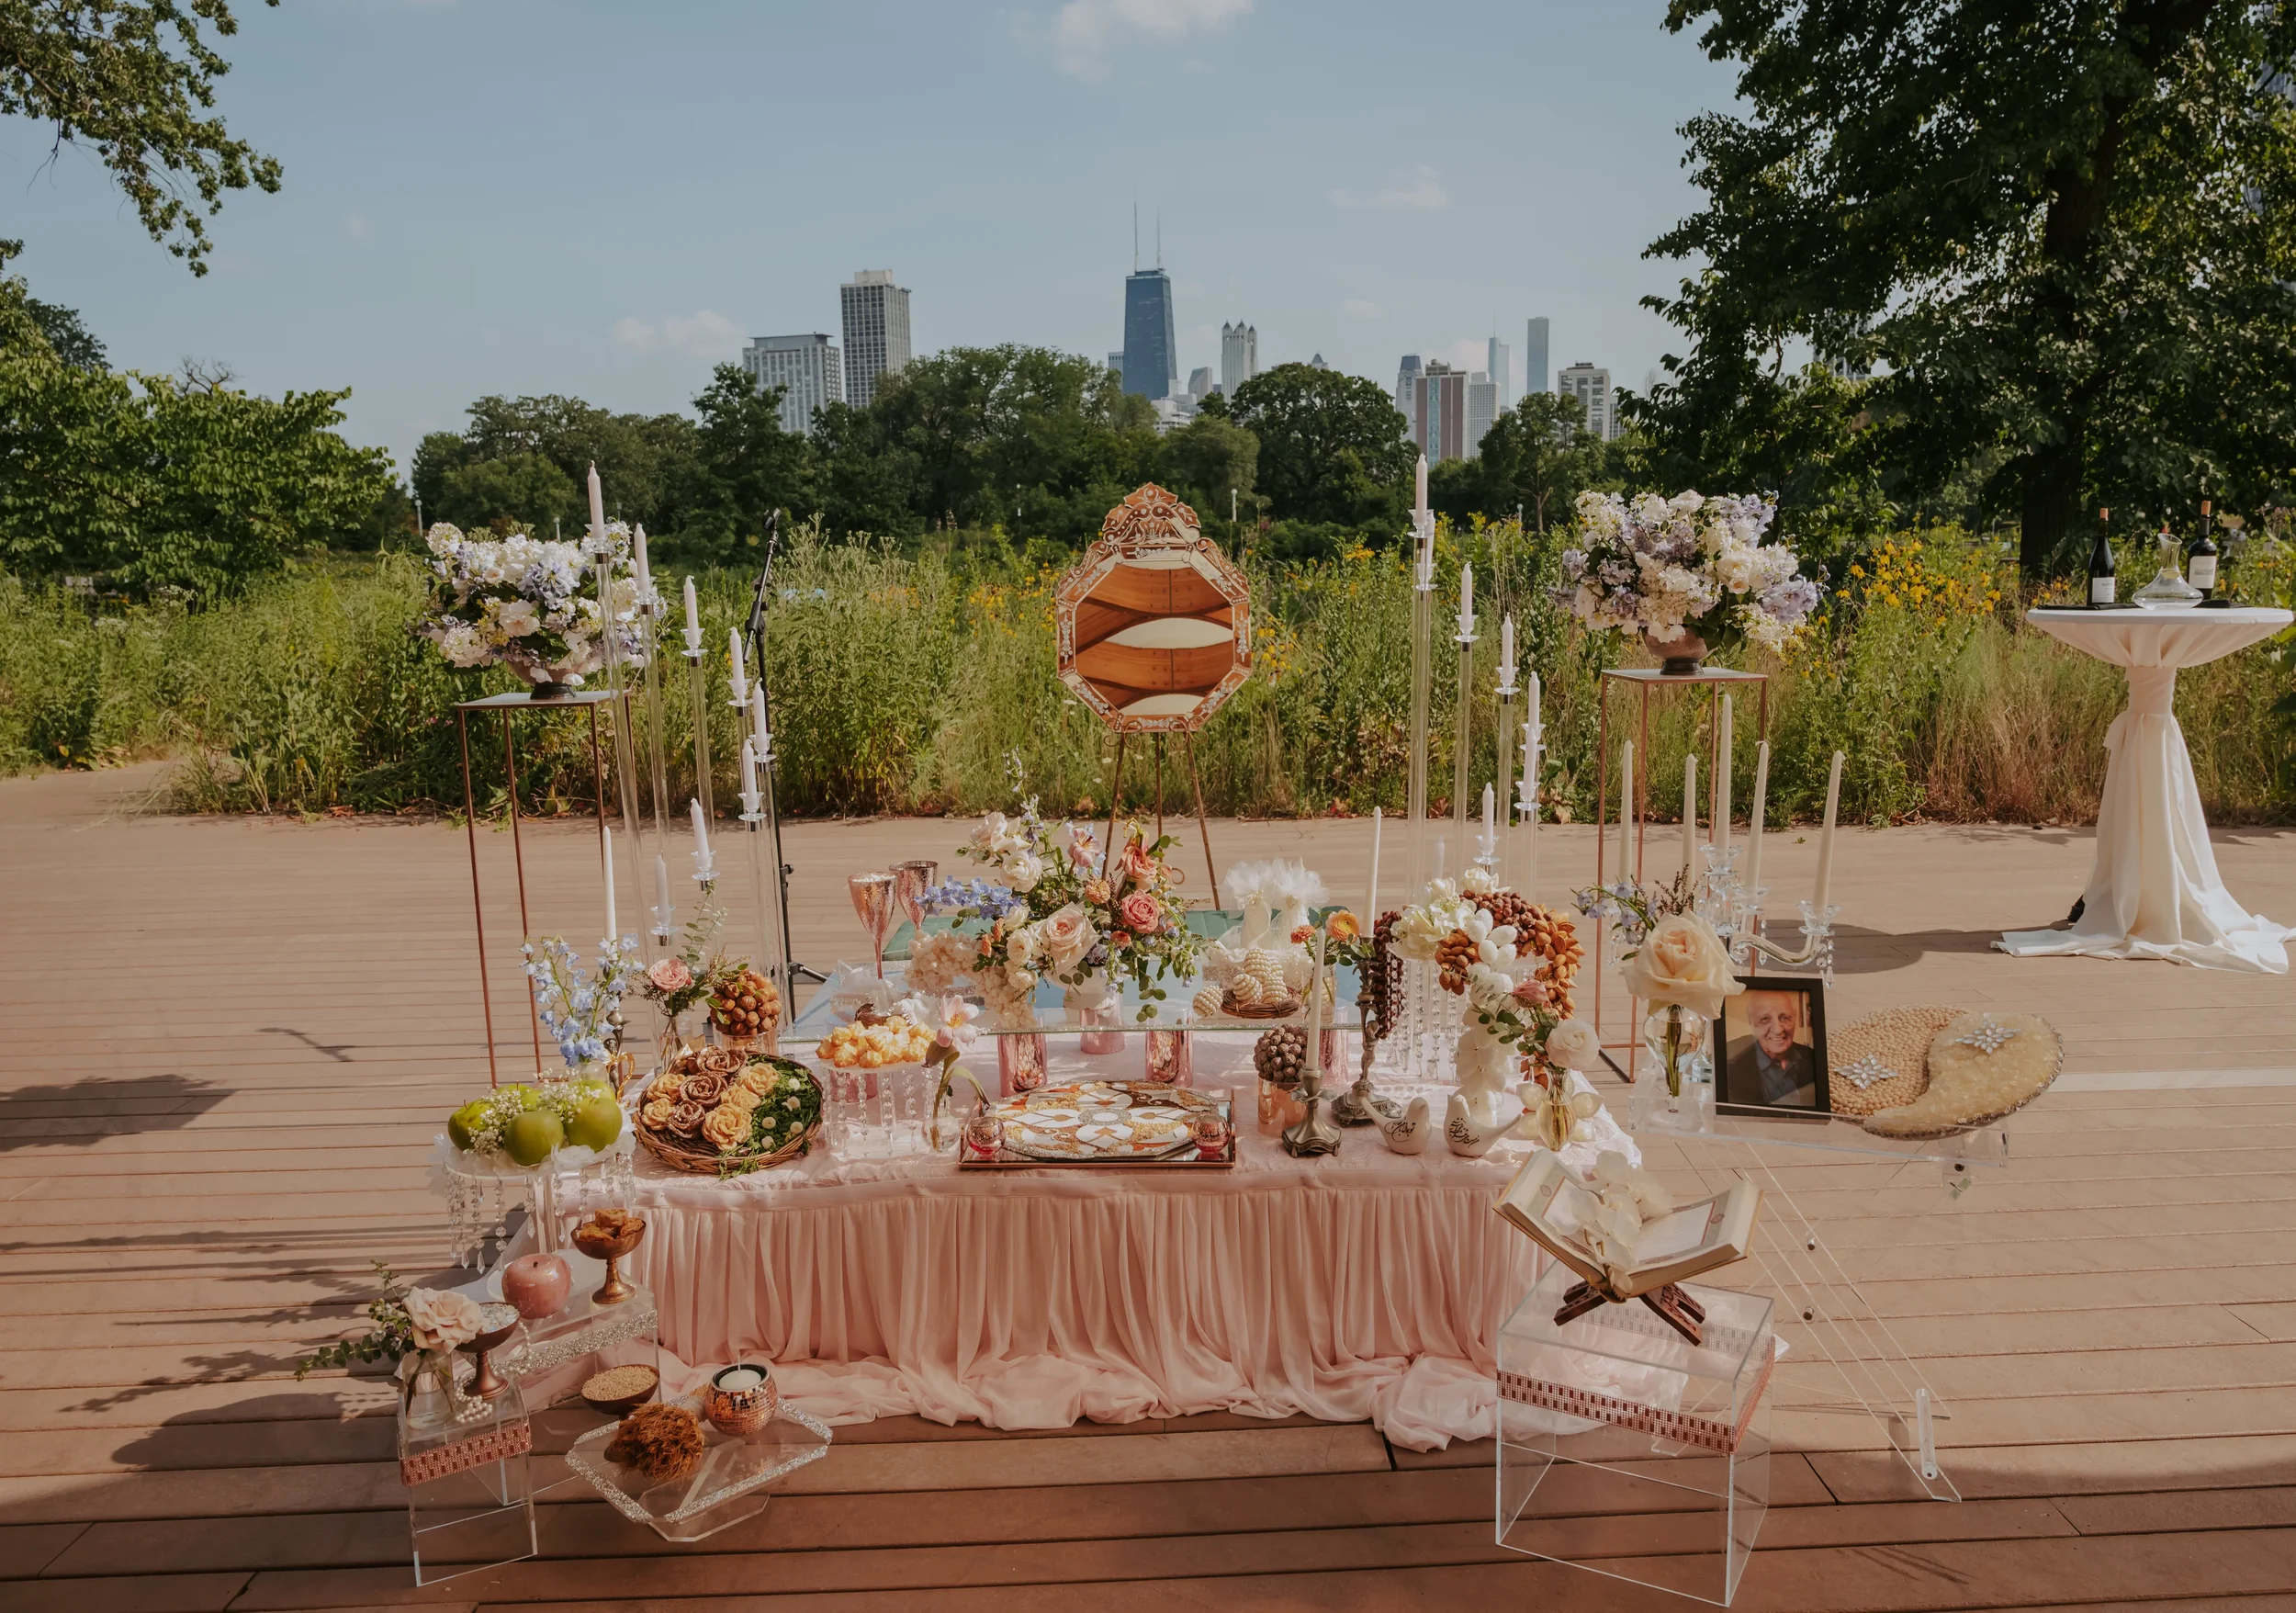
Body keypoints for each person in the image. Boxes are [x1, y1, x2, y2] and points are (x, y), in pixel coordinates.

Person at [1724, 989, 1818, 1108]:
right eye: (1765, 1019)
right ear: (1751, 1024)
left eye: (1785, 1018)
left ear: (1794, 1019)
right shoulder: (1731, 1072)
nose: (1778, 1030)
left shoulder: (1813, 1059)